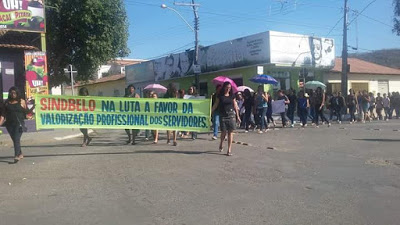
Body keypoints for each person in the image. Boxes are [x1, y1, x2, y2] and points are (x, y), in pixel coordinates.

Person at [0, 87, 34, 163]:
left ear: (17, 93)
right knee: (15, 140)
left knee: (16, 139)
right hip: (9, 125)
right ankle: (20, 153)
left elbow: (27, 111)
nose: (13, 94)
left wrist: (34, 107)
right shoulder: (7, 103)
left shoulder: (22, 101)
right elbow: (3, 115)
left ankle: (16, 156)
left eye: (14, 93)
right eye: (11, 93)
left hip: (19, 124)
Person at [211, 82, 241, 156]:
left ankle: (229, 150)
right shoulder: (220, 96)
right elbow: (215, 105)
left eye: (230, 88)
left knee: (230, 132)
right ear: (224, 87)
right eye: (227, 87)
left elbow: (235, 106)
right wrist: (210, 112)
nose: (228, 89)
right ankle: (221, 143)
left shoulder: (232, 96)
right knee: (223, 132)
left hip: (231, 115)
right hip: (223, 116)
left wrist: (238, 116)